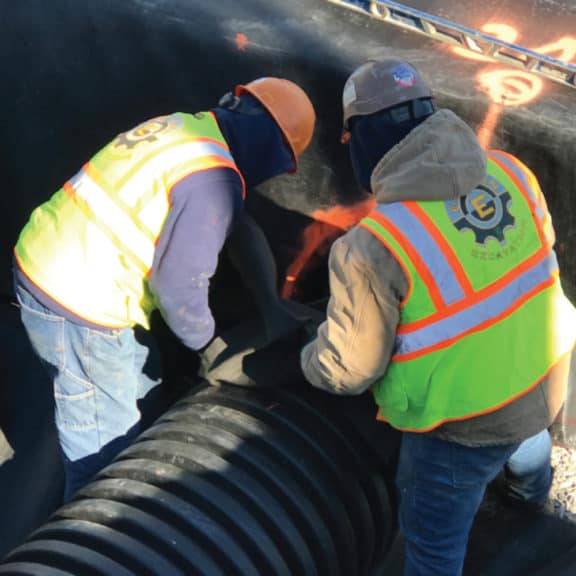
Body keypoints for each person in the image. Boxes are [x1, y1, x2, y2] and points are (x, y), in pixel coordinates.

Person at [300, 58, 576, 575]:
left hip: (462, 426)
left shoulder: (373, 245)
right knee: (526, 443)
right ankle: (528, 500)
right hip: (547, 374)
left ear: (361, 138)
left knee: (431, 543)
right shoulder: (512, 171)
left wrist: (306, 358)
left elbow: (349, 370)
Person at [13, 76, 316, 501]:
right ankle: (83, 541)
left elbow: (238, 227)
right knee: (102, 454)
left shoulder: (183, 129)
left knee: (140, 377)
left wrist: (270, 305)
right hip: (80, 301)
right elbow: (178, 289)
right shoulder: (212, 180)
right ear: (275, 149)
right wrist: (210, 346)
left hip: (47, 255)